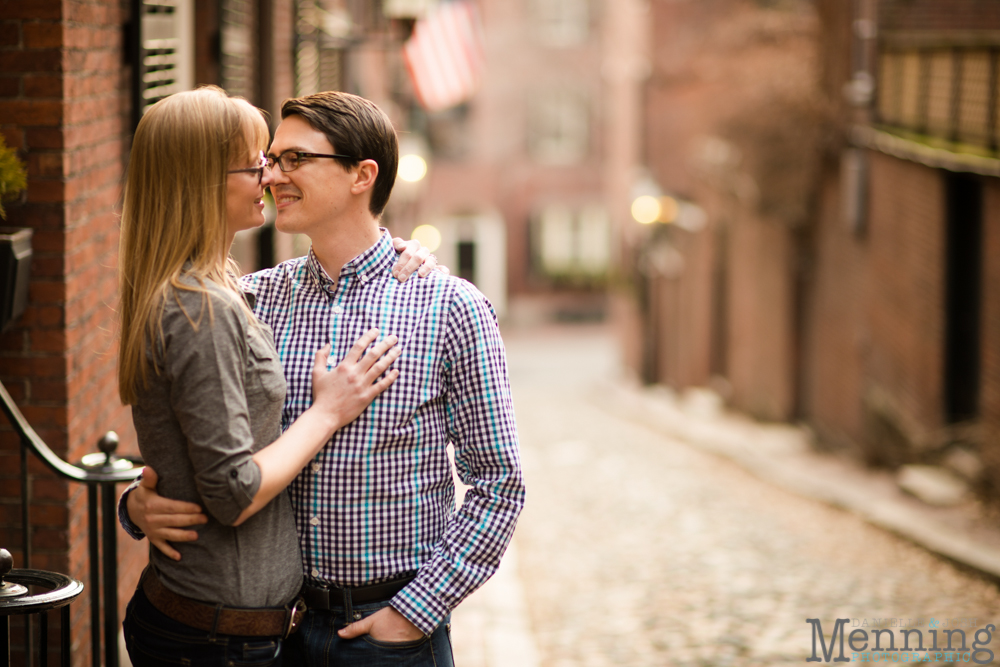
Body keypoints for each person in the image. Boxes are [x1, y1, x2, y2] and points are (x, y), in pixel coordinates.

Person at [122, 91, 525, 666]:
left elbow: (498, 484)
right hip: (271, 632)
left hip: (386, 635)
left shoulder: (449, 308)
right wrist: (136, 504)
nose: (271, 176)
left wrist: (415, 612)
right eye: (269, 158)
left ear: (362, 175)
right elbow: (191, 437)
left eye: (294, 160)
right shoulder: (250, 299)